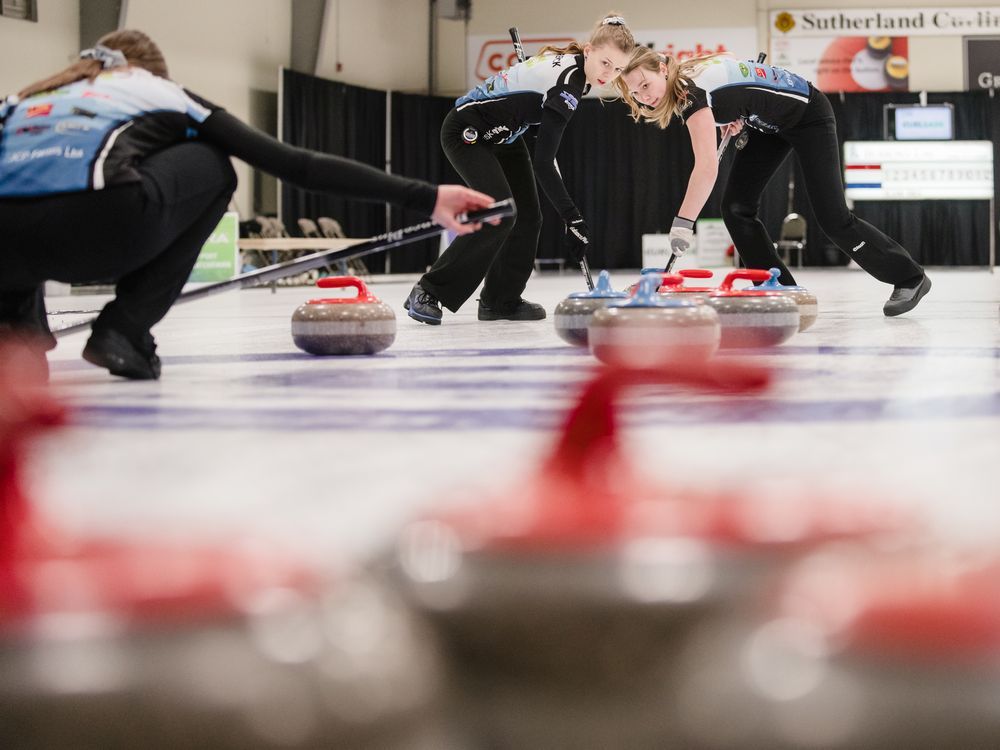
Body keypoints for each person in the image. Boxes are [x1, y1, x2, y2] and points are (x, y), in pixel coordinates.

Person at [0, 30, 494, 380]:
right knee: (213, 164)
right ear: (148, 70)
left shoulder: (23, 98)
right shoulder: (157, 90)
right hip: (103, 230)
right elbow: (295, 164)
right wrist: (426, 197)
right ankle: (123, 329)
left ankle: (18, 341)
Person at [615, 48, 931, 317]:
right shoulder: (688, 76)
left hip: (808, 115)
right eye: (636, 93)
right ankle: (777, 289)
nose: (645, 97)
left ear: (662, 68)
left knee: (833, 219)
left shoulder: (687, 91)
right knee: (736, 208)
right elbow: (738, 87)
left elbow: (706, 167)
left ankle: (909, 277)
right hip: (770, 126)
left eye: (645, 84)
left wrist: (683, 223)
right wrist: (736, 115)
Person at [404, 13, 635, 325]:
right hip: (467, 129)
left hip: (506, 135)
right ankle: (429, 291)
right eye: (606, 63)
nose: (610, 74)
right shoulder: (569, 82)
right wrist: (572, 217)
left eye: (619, 68)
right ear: (590, 50)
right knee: (498, 212)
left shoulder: (574, 74)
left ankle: (500, 300)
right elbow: (543, 163)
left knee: (528, 216)